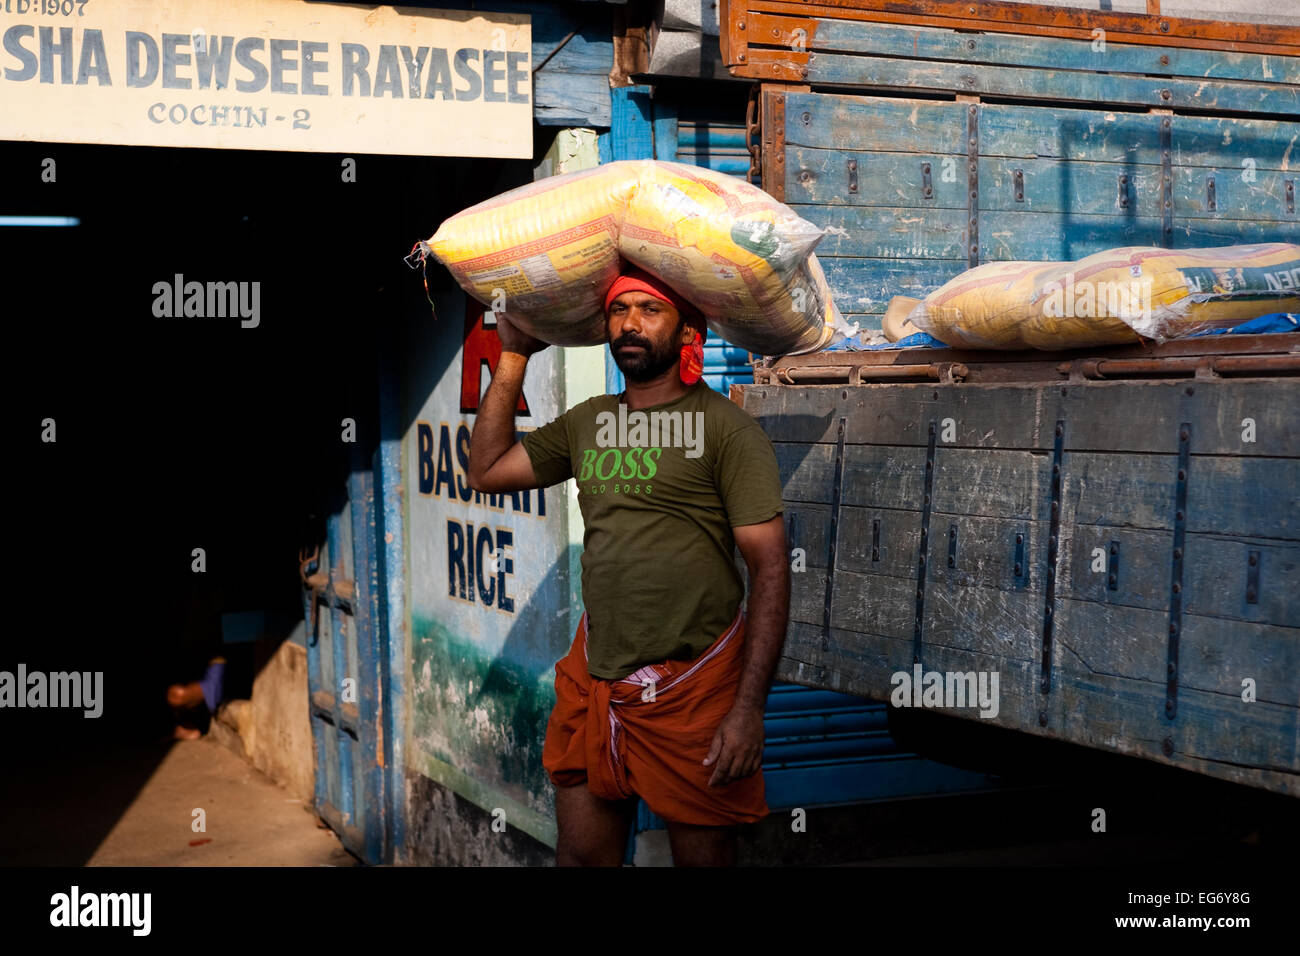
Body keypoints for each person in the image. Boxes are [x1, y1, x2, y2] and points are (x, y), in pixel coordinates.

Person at [467, 265, 790, 866]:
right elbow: (486, 470)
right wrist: (514, 354)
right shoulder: (590, 422)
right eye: (620, 311)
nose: (631, 325)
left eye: (650, 310)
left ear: (686, 328)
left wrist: (748, 712)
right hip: (597, 684)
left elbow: (771, 572)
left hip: (693, 694)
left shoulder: (726, 432)